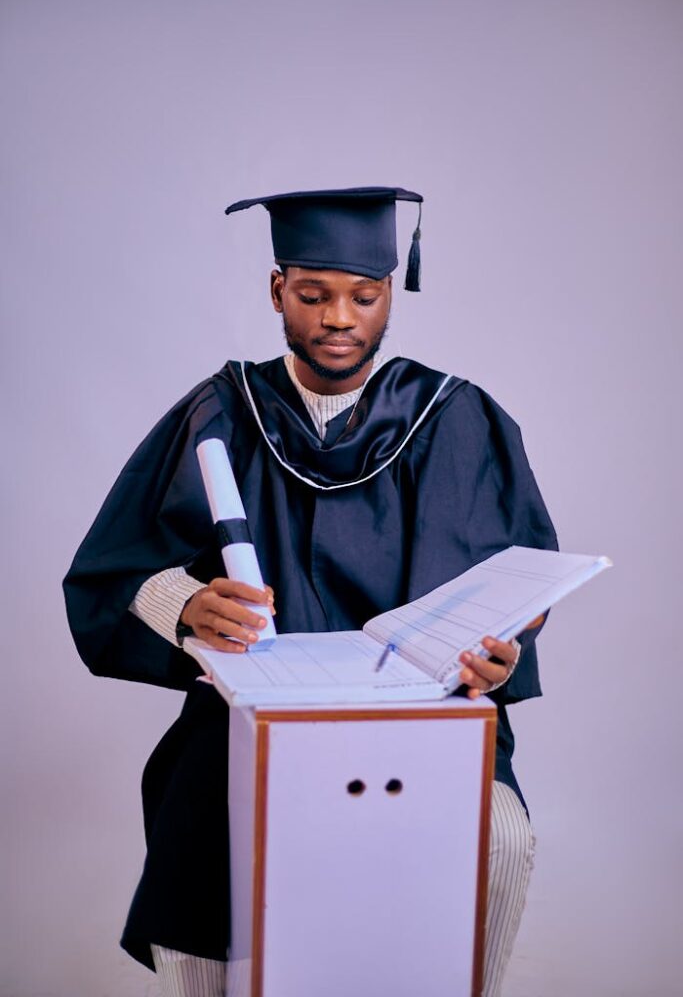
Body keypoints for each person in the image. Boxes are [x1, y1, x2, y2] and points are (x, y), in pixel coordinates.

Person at [63, 186, 557, 997]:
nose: (339, 318)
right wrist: (184, 608)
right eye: (313, 294)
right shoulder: (219, 412)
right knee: (200, 850)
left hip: (426, 724)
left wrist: (499, 656)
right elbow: (113, 570)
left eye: (363, 296)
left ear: (389, 294)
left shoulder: (457, 418)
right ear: (276, 291)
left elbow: (515, 592)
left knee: (495, 838)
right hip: (244, 726)